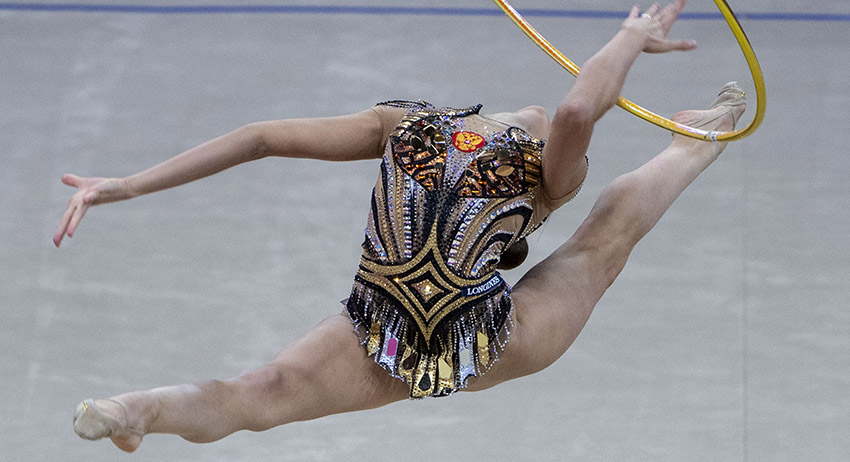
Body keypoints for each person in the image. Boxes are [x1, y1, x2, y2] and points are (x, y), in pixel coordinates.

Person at [57, 0, 746, 453]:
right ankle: (135, 411)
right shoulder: (425, 130)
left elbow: (576, 113)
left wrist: (630, 35)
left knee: (605, 238)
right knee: (261, 393)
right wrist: (126, 184)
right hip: (410, 333)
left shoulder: (519, 166)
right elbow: (261, 137)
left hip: (447, 333)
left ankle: (694, 143)